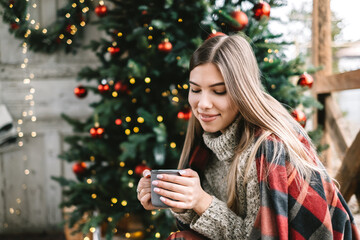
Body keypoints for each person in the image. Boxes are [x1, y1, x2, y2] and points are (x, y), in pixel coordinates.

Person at [137, 34, 360, 240]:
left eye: (219, 91)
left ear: (242, 91)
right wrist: (181, 202)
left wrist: (201, 201)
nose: (202, 104)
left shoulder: (268, 148)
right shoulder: (206, 142)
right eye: (195, 90)